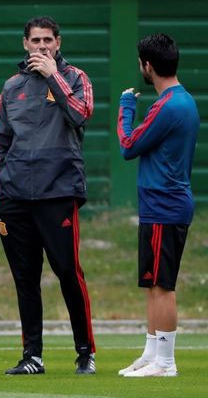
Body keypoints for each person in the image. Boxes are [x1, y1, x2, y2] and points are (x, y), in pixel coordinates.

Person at [0, 16, 96, 375]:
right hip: (14, 197)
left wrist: (53, 76)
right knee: (25, 278)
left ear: (58, 42)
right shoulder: (11, 86)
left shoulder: (76, 78)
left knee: (67, 272)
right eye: (36, 40)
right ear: (25, 44)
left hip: (58, 192)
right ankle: (32, 356)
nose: (42, 46)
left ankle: (85, 352)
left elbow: (81, 114)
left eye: (48, 40)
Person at [117, 34, 199, 377]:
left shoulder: (169, 105)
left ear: (147, 66)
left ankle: (165, 362)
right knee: (153, 283)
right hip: (160, 205)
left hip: (165, 206)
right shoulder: (182, 101)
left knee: (163, 286)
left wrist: (126, 107)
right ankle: (152, 354)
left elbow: (128, 145)